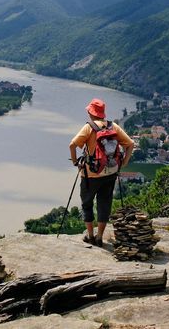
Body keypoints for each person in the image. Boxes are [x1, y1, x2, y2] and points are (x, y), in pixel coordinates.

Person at [69, 98, 134, 247]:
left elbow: (72, 145)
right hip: (110, 173)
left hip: (91, 175)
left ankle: (90, 236)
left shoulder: (89, 127)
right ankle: (100, 237)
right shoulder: (113, 126)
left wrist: (75, 163)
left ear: (91, 113)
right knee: (104, 204)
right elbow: (130, 144)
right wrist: (124, 162)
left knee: (87, 203)